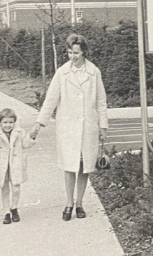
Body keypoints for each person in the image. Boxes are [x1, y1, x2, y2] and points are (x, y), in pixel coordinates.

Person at [30, 33, 108, 221]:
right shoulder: (62, 73)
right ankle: (68, 202)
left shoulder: (94, 72)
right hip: (68, 126)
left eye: (76, 53)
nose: (72, 56)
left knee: (84, 166)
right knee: (69, 165)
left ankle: (79, 203)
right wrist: (38, 124)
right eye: (69, 52)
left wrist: (103, 125)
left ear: (84, 53)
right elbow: (51, 99)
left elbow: (101, 101)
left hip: (88, 126)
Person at [0, 108, 36, 224]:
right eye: (5, 122)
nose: (8, 125)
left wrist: (32, 137)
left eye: (11, 122)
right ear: (0, 123)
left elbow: (25, 144)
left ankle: (14, 208)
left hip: (15, 165)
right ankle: (6, 212)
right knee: (4, 190)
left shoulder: (19, 133)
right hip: (2, 166)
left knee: (16, 189)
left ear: (14, 122)